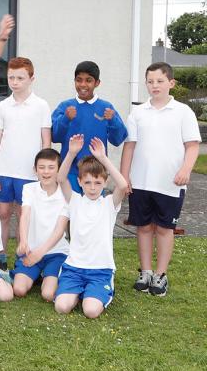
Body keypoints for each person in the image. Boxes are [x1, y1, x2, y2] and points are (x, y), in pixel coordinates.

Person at [120, 62, 201, 297]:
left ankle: (160, 275)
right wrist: (125, 177)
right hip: (141, 182)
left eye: (159, 81)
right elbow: (130, 147)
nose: (154, 85)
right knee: (144, 228)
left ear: (171, 83)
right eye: (150, 81)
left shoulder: (183, 112)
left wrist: (186, 169)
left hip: (170, 184)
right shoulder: (137, 112)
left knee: (165, 229)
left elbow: (193, 146)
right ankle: (145, 272)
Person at [45, 135, 128, 319]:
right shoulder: (74, 200)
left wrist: (103, 158)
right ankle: (77, 292)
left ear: (105, 183)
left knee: (91, 311)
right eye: (88, 182)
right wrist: (71, 152)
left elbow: (122, 185)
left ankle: (92, 293)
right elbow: (60, 178)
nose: (92, 187)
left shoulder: (109, 204)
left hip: (100, 270)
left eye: (98, 183)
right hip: (74, 268)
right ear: (80, 182)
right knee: (61, 307)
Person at [0, 57, 51, 270]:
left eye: (20, 78)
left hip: (30, 173)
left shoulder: (41, 106)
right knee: (3, 213)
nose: (14, 82)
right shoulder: (3, 106)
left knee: (24, 216)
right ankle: (1, 257)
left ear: (31, 78)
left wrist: (44, 171)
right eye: (11, 77)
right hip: (5, 171)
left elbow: (46, 140)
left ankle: (24, 256)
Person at [51, 61, 127, 193]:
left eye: (88, 80)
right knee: (69, 210)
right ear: (74, 81)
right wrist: (65, 119)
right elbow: (54, 136)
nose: (83, 85)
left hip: (96, 174)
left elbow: (118, 140)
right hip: (70, 172)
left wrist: (113, 120)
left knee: (94, 211)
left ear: (97, 83)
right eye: (79, 80)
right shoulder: (65, 106)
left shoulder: (106, 107)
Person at [12, 148, 69, 301]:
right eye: (41, 167)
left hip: (55, 252)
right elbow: (25, 216)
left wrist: (40, 253)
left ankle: (48, 275)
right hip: (31, 250)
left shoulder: (66, 194)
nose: (46, 172)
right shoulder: (29, 189)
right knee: (18, 289)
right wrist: (24, 242)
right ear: (35, 170)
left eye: (51, 167)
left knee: (48, 294)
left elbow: (59, 230)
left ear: (59, 170)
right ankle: (37, 274)